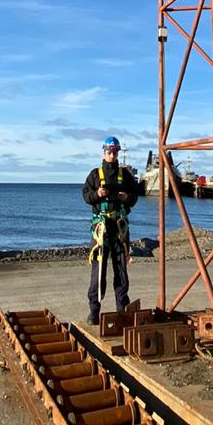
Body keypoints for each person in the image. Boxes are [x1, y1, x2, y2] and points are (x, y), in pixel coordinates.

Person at [82, 135, 139, 324]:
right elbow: (86, 196)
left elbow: (135, 196)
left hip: (119, 229)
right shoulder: (95, 175)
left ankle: (122, 309)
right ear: (104, 153)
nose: (112, 156)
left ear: (118, 153)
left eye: (114, 153)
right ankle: (94, 311)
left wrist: (125, 198)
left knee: (121, 269)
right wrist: (97, 194)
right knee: (98, 270)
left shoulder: (126, 175)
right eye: (109, 152)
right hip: (101, 230)